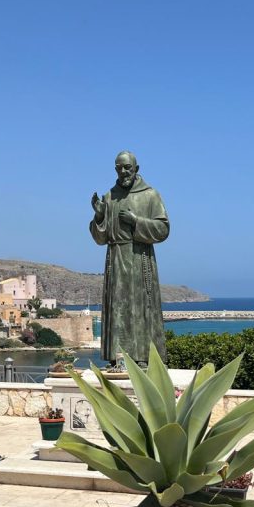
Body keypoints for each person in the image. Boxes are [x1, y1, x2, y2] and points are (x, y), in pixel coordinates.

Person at [90, 151, 169, 365]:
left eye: (127, 167)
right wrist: (99, 217)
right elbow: (101, 238)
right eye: (119, 167)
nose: (123, 171)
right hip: (115, 259)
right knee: (117, 308)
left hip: (139, 258)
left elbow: (163, 229)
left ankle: (142, 358)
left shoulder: (150, 195)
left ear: (136, 169)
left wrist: (136, 221)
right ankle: (117, 358)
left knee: (140, 306)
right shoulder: (109, 197)